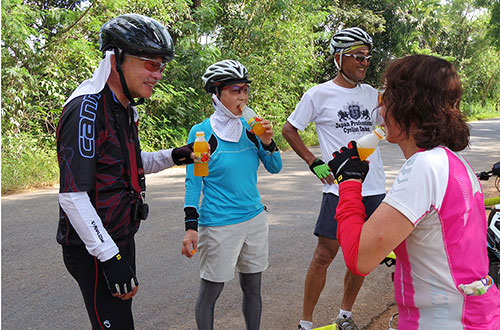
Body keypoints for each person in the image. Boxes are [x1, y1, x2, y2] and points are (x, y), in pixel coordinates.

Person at [329, 54, 500, 329]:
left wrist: (348, 183)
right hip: (475, 314)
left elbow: (359, 257)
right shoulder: (451, 161)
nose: (380, 109)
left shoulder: (424, 166)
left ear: (409, 105)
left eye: (386, 98)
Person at [57, 14, 195, 329]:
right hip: (92, 247)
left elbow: (127, 165)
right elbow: (73, 195)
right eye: (151, 64)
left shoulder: (123, 106)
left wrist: (174, 156)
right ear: (117, 58)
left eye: (162, 66)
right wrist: (109, 257)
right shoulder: (87, 109)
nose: (158, 74)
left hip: (118, 235)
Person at [281, 27, 386, 330]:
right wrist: (314, 161)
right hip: (339, 189)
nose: (364, 62)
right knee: (325, 254)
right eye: (357, 56)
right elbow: (290, 129)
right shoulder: (318, 94)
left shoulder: (371, 95)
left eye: (367, 57)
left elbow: (388, 129)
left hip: (374, 186)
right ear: (339, 58)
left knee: (362, 257)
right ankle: (306, 322)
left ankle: (345, 315)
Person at [181, 59, 282, 330]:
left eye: (245, 90)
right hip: (219, 224)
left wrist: (268, 142)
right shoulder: (203, 134)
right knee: (211, 291)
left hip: (254, 219)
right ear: (216, 94)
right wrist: (191, 228)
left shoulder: (252, 130)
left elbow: (275, 167)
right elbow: (194, 183)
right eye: (235, 90)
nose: (243, 97)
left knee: (253, 288)